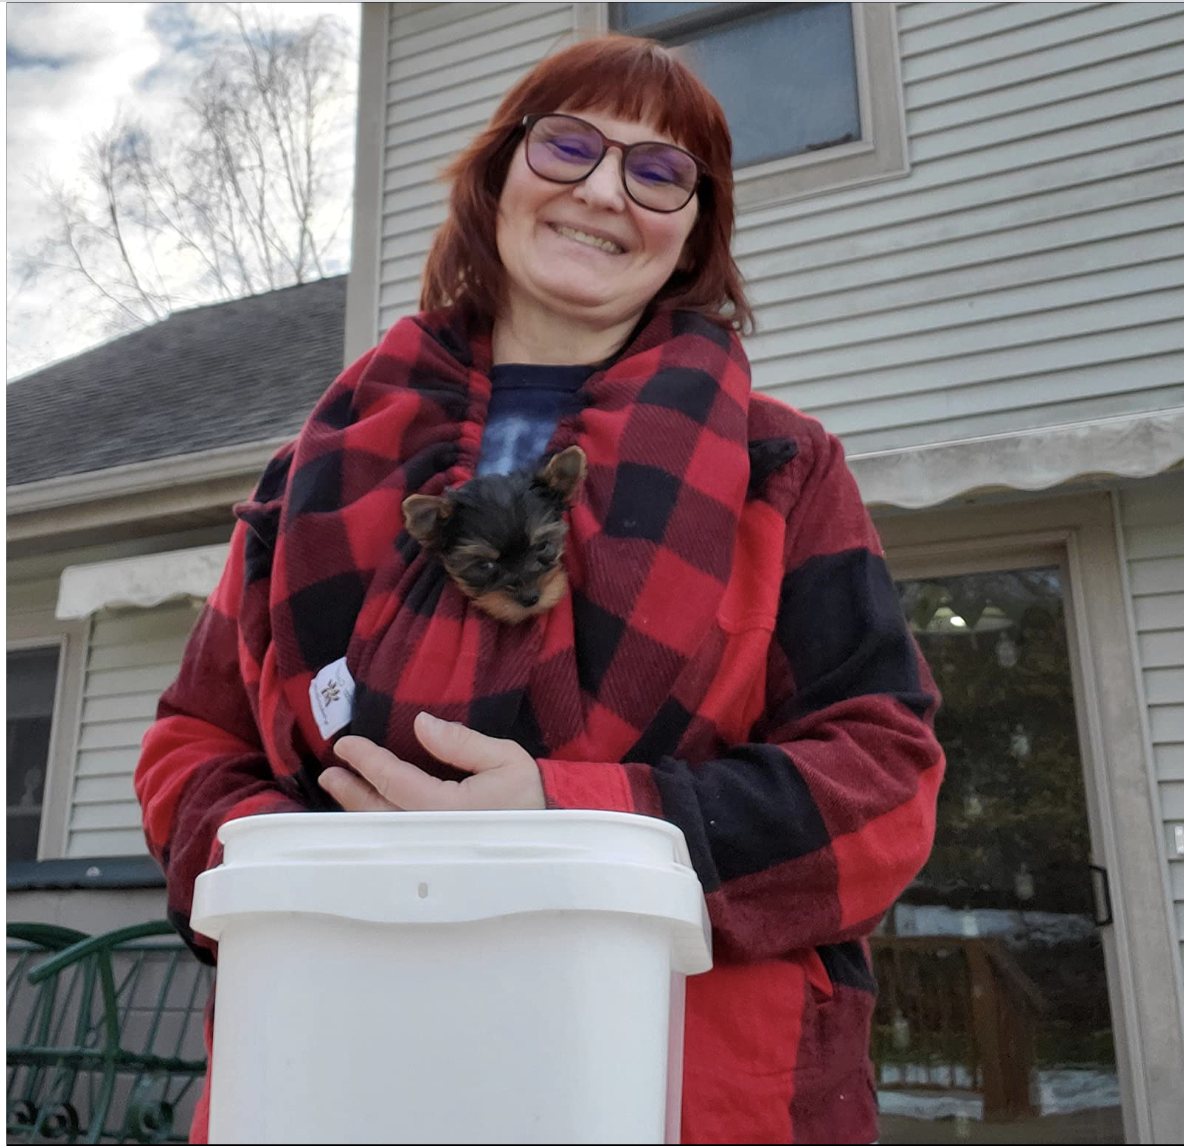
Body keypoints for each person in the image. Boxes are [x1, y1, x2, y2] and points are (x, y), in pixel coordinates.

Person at [135, 35, 944, 1146]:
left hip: (680, 1086)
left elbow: (884, 784)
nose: (605, 190)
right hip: (328, 1065)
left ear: (693, 229)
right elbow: (192, 744)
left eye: (659, 172)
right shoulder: (311, 469)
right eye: (569, 145)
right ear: (498, 174)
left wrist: (570, 819)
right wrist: (303, 855)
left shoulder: (781, 468)